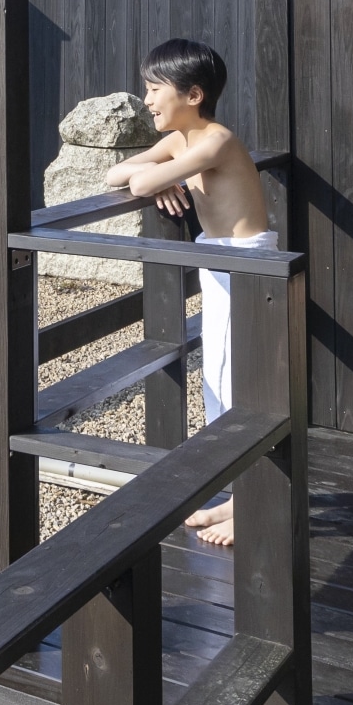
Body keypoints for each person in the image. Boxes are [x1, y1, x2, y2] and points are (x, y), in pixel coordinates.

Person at [100, 38, 272, 547]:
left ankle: (252, 504)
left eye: (155, 90)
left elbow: (134, 184)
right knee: (219, 379)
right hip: (221, 267)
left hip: (248, 267)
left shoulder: (217, 141)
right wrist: (156, 178)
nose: (147, 100)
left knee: (237, 382)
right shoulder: (180, 143)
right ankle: (240, 496)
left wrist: (150, 180)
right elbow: (116, 173)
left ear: (193, 94)